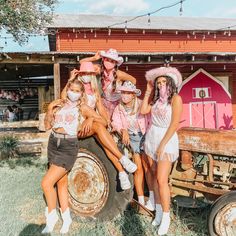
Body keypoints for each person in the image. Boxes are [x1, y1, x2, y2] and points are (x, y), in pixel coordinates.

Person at [140, 66, 183, 235]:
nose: (161, 85)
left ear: (171, 83)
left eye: (164, 82)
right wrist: (148, 90)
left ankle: (166, 217)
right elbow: (143, 110)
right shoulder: (157, 100)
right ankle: (158, 213)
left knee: (161, 179)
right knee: (153, 176)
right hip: (152, 137)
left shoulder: (176, 99)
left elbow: (174, 124)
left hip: (166, 140)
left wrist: (162, 145)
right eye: (159, 83)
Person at [111, 81, 150, 206]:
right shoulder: (119, 108)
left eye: (128, 93)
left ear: (133, 95)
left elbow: (149, 119)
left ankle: (153, 198)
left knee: (148, 167)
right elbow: (114, 122)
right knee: (138, 169)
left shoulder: (140, 105)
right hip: (132, 139)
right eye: (123, 92)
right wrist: (123, 130)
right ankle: (141, 200)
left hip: (145, 136)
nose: (125, 95)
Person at [80, 48, 136, 118]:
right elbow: (83, 63)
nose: (109, 62)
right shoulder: (100, 69)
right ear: (103, 60)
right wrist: (94, 58)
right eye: (107, 59)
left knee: (116, 124)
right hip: (104, 103)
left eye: (112, 61)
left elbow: (134, 80)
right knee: (105, 122)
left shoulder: (119, 74)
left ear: (115, 63)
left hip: (117, 104)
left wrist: (125, 92)